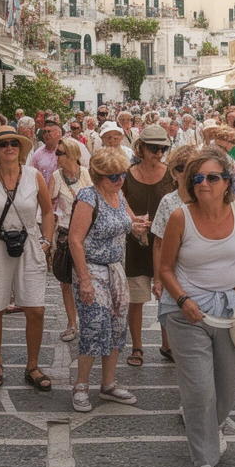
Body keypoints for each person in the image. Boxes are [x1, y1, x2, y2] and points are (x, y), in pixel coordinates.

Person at [157, 148, 235, 467]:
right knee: (200, 390)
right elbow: (165, 268)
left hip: (229, 313)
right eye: (197, 178)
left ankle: (207, 428)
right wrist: (183, 300)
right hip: (186, 314)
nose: (203, 183)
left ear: (227, 183)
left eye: (212, 178)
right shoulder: (179, 217)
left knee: (227, 392)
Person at [0, 126, 56, 390]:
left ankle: (32, 365)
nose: (9, 148)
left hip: (29, 244)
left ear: (20, 149)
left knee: (36, 310)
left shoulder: (34, 176)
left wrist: (46, 242)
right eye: (3, 144)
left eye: (14, 144)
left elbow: (48, 211)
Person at [68, 148, 148, 412]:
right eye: (113, 176)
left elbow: (129, 222)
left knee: (115, 326)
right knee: (93, 325)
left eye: (122, 174)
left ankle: (108, 383)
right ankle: (81, 385)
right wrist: (85, 280)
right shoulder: (89, 197)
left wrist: (137, 226)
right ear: (98, 176)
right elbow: (75, 240)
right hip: (91, 269)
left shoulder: (118, 195)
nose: (119, 180)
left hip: (115, 269)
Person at [122, 126, 176, 366]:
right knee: (136, 298)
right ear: (141, 147)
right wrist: (134, 221)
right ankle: (137, 346)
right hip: (135, 242)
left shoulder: (171, 175)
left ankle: (168, 344)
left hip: (166, 242)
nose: (159, 153)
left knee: (166, 296)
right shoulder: (126, 174)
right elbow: (119, 202)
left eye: (163, 148)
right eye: (154, 148)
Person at [149, 143, 198, 362]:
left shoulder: (205, 198)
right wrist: (158, 280)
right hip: (173, 270)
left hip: (198, 271)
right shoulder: (168, 202)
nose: (185, 173)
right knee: (171, 315)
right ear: (173, 172)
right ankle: (168, 347)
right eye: (180, 168)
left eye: (191, 168)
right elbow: (158, 244)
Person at [50, 136, 93, 343]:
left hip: (86, 233)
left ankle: (88, 322)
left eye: (60, 153)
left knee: (86, 278)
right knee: (66, 281)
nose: (56, 156)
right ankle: (71, 323)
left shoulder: (86, 174)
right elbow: (47, 207)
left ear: (72, 154)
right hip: (65, 233)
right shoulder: (56, 177)